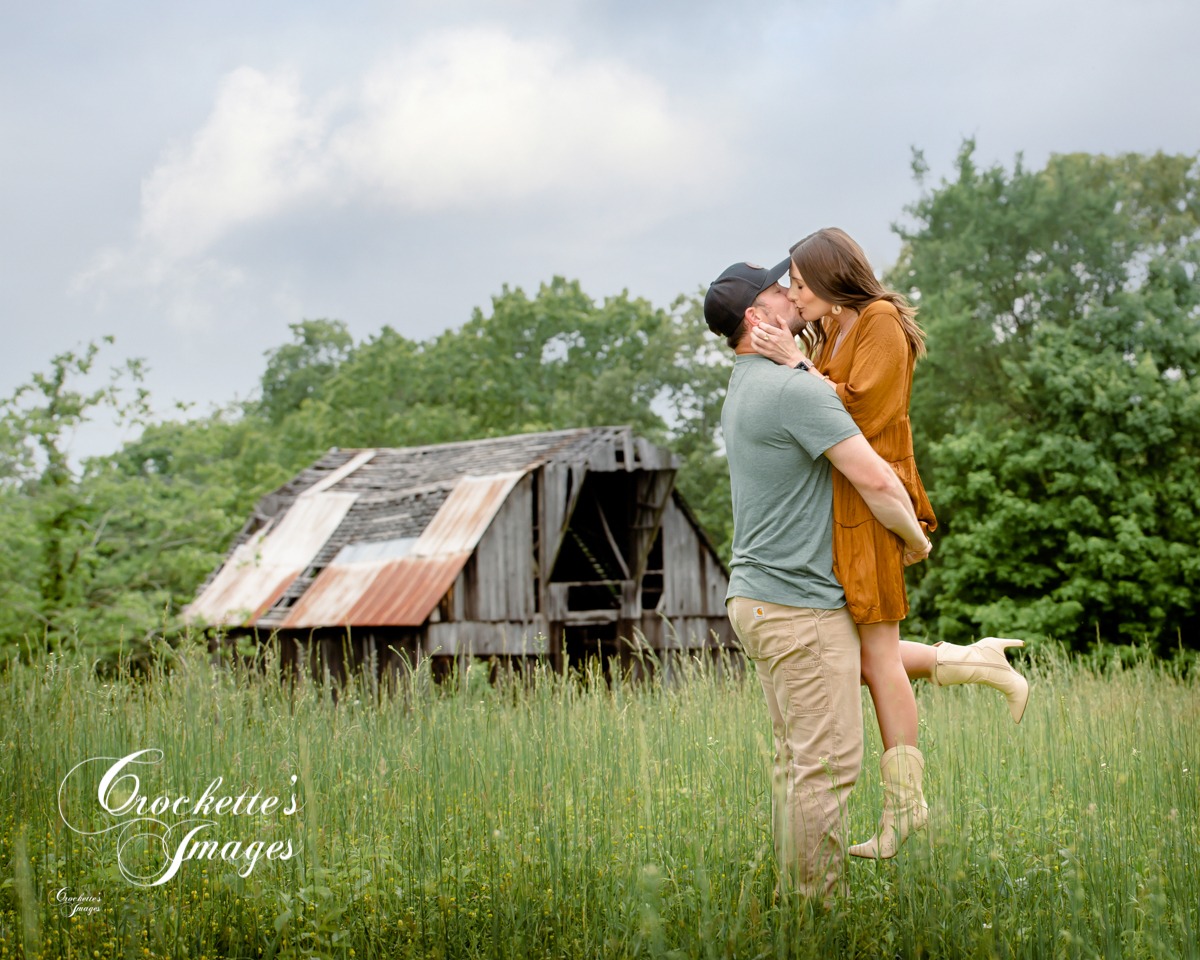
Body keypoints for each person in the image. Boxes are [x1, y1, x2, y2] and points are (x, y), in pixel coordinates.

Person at [749, 228, 1028, 861]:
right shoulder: (840, 326)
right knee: (853, 654)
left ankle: (907, 809)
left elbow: (860, 412)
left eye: (798, 281)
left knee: (870, 659)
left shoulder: (879, 321)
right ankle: (972, 662)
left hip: (872, 504)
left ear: (828, 275)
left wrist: (792, 367)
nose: (793, 292)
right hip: (842, 507)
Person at [704, 258, 932, 903]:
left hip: (756, 599)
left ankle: (795, 900)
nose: (794, 297)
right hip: (801, 608)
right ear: (758, 316)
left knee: (797, 765)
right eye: (780, 290)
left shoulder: (748, 383)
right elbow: (879, 480)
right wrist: (915, 539)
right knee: (826, 770)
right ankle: (815, 911)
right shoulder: (792, 391)